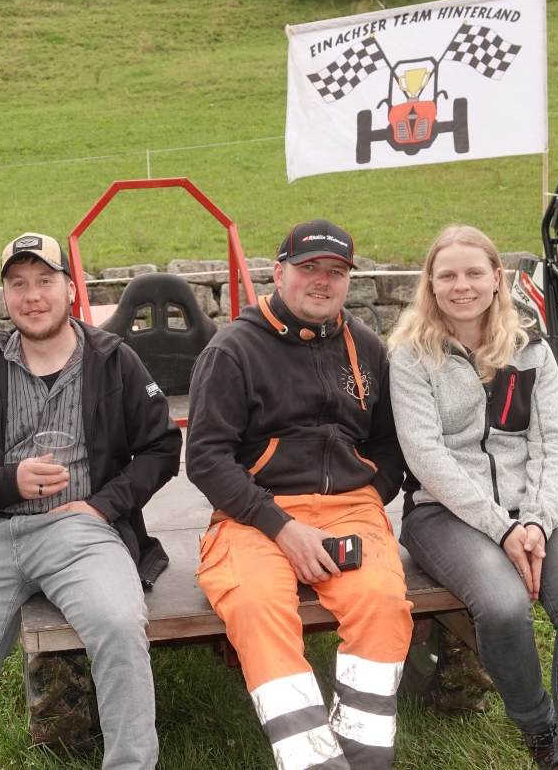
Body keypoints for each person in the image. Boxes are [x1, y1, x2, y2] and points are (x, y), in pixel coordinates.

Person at [0, 232, 182, 770]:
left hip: (81, 531)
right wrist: (9, 481)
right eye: (18, 284)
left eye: (44, 280)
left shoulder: (113, 360)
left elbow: (162, 448)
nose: (32, 295)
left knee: (118, 626)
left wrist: (102, 506)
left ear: (70, 289)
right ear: (5, 295)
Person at [186, 219, 413, 770]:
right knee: (257, 607)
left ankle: (364, 758)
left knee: (382, 604)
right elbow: (207, 458)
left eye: (336, 271)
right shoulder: (232, 349)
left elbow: (389, 444)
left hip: (350, 510)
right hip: (255, 514)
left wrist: (368, 496)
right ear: (278, 272)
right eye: (309, 267)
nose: (322, 281)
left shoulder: (367, 346)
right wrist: (281, 527)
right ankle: (312, 760)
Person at [387, 225, 558, 770]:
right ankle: (540, 729)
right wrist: (501, 528)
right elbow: (425, 454)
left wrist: (535, 520)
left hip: (533, 509)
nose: (461, 285)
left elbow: (554, 442)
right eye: (447, 275)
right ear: (431, 284)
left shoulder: (531, 350)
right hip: (443, 511)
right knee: (504, 606)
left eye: (473, 273)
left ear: (496, 278)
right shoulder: (411, 356)